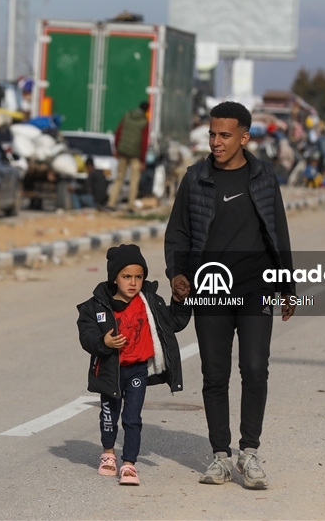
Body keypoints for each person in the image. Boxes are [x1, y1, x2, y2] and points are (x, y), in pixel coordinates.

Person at [164, 101, 296, 490]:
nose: (216, 142)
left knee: (255, 368)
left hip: (256, 289)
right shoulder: (195, 179)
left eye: (225, 135)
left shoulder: (263, 177)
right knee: (214, 374)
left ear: (244, 137)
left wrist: (287, 286)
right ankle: (221, 456)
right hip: (210, 290)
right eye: (212, 134)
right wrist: (178, 274)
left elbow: (278, 232)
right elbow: (179, 234)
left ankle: (249, 452)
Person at [76, 244, 191, 486]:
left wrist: (180, 300)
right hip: (110, 370)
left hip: (137, 370)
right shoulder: (97, 305)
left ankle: (129, 463)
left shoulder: (149, 301)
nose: (133, 282)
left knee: (132, 417)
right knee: (109, 414)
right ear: (114, 278)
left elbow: (175, 322)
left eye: (139, 277)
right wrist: (103, 341)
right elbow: (86, 335)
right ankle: (108, 453)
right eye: (126, 276)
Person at [108, 101, 150, 210]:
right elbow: (144, 142)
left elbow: (118, 132)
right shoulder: (144, 122)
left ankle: (111, 203)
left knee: (119, 178)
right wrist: (143, 160)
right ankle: (130, 206)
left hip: (123, 152)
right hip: (135, 155)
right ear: (146, 110)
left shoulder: (127, 116)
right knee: (134, 181)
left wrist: (116, 148)